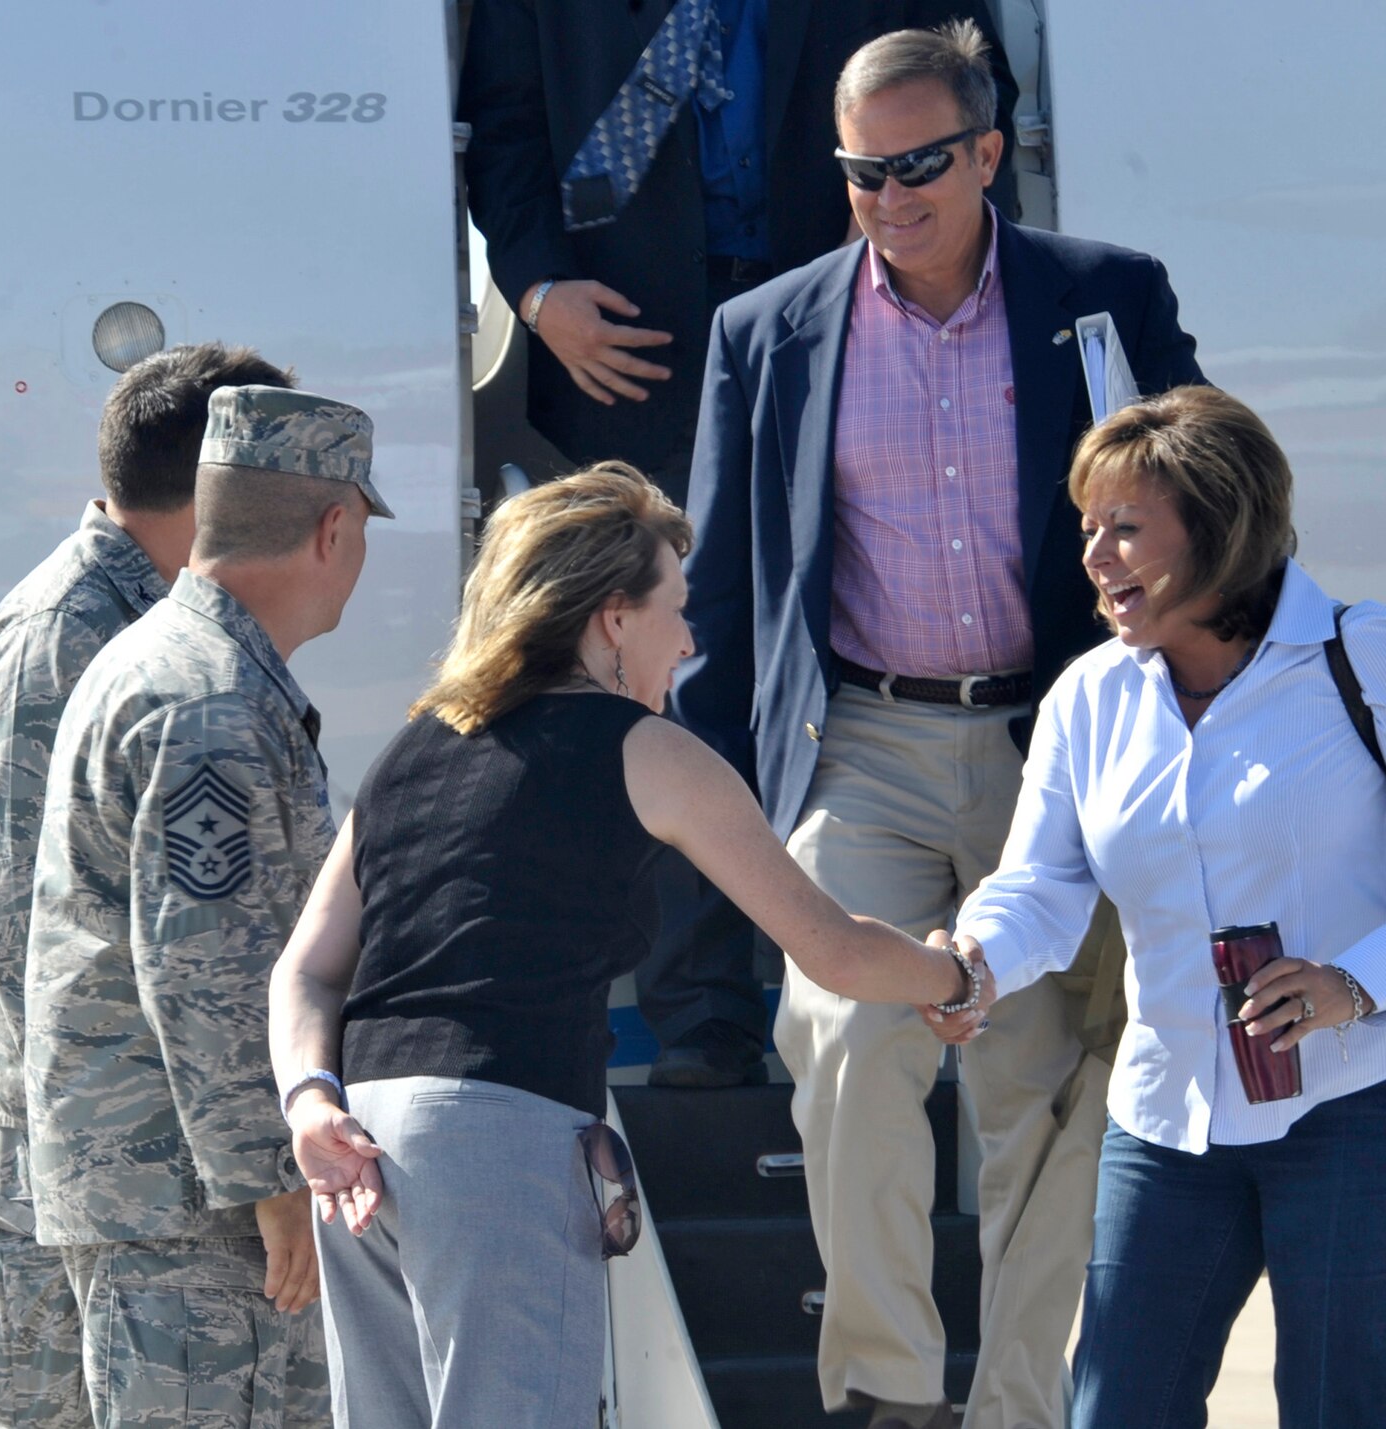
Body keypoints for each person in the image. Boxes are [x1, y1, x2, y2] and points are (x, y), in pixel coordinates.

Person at [675, 21, 1206, 1429]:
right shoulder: (767, 332)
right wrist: (703, 807)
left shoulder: (1107, 302)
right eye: (859, 171)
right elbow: (724, 595)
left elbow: (1209, 517)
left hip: (1061, 741)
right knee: (847, 1035)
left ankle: (1025, 1407)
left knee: (1037, 1089)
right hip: (867, 744)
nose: (888, 195)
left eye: (917, 163)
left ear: (986, 151)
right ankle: (889, 1393)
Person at [266, 465, 982, 1429]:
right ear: (611, 618)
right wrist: (958, 972)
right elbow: (834, 948)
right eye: (674, 610)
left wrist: (310, 1102)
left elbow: (308, 967)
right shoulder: (649, 750)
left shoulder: (416, 747)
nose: (687, 642)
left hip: (358, 1143)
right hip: (497, 1141)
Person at [934, 384, 1386, 1429]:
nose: (1094, 556)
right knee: (1115, 1410)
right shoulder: (1089, 694)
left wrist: (1354, 985)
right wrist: (970, 961)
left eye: (1124, 529)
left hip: (1362, 1108)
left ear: (1217, 529)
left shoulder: (1362, 653)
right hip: (1165, 1118)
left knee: (1333, 1408)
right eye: (1087, 528)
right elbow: (1041, 885)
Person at [458, 0, 1020, 1087]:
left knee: (853, 655)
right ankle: (702, 1015)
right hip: (628, 359)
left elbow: (962, 90)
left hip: (847, 343)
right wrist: (532, 290)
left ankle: (913, 986)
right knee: (669, 684)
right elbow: (503, 127)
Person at [24, 386, 391, 1429]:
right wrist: (275, 1181)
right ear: (333, 529)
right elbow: (205, 965)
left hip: (159, 1189)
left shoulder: (174, 662)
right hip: (197, 1214)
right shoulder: (209, 702)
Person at [0, 343, 293, 1429]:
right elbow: (20, 915)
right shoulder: (69, 629)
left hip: (124, 1141)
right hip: (85, 1147)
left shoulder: (151, 613)